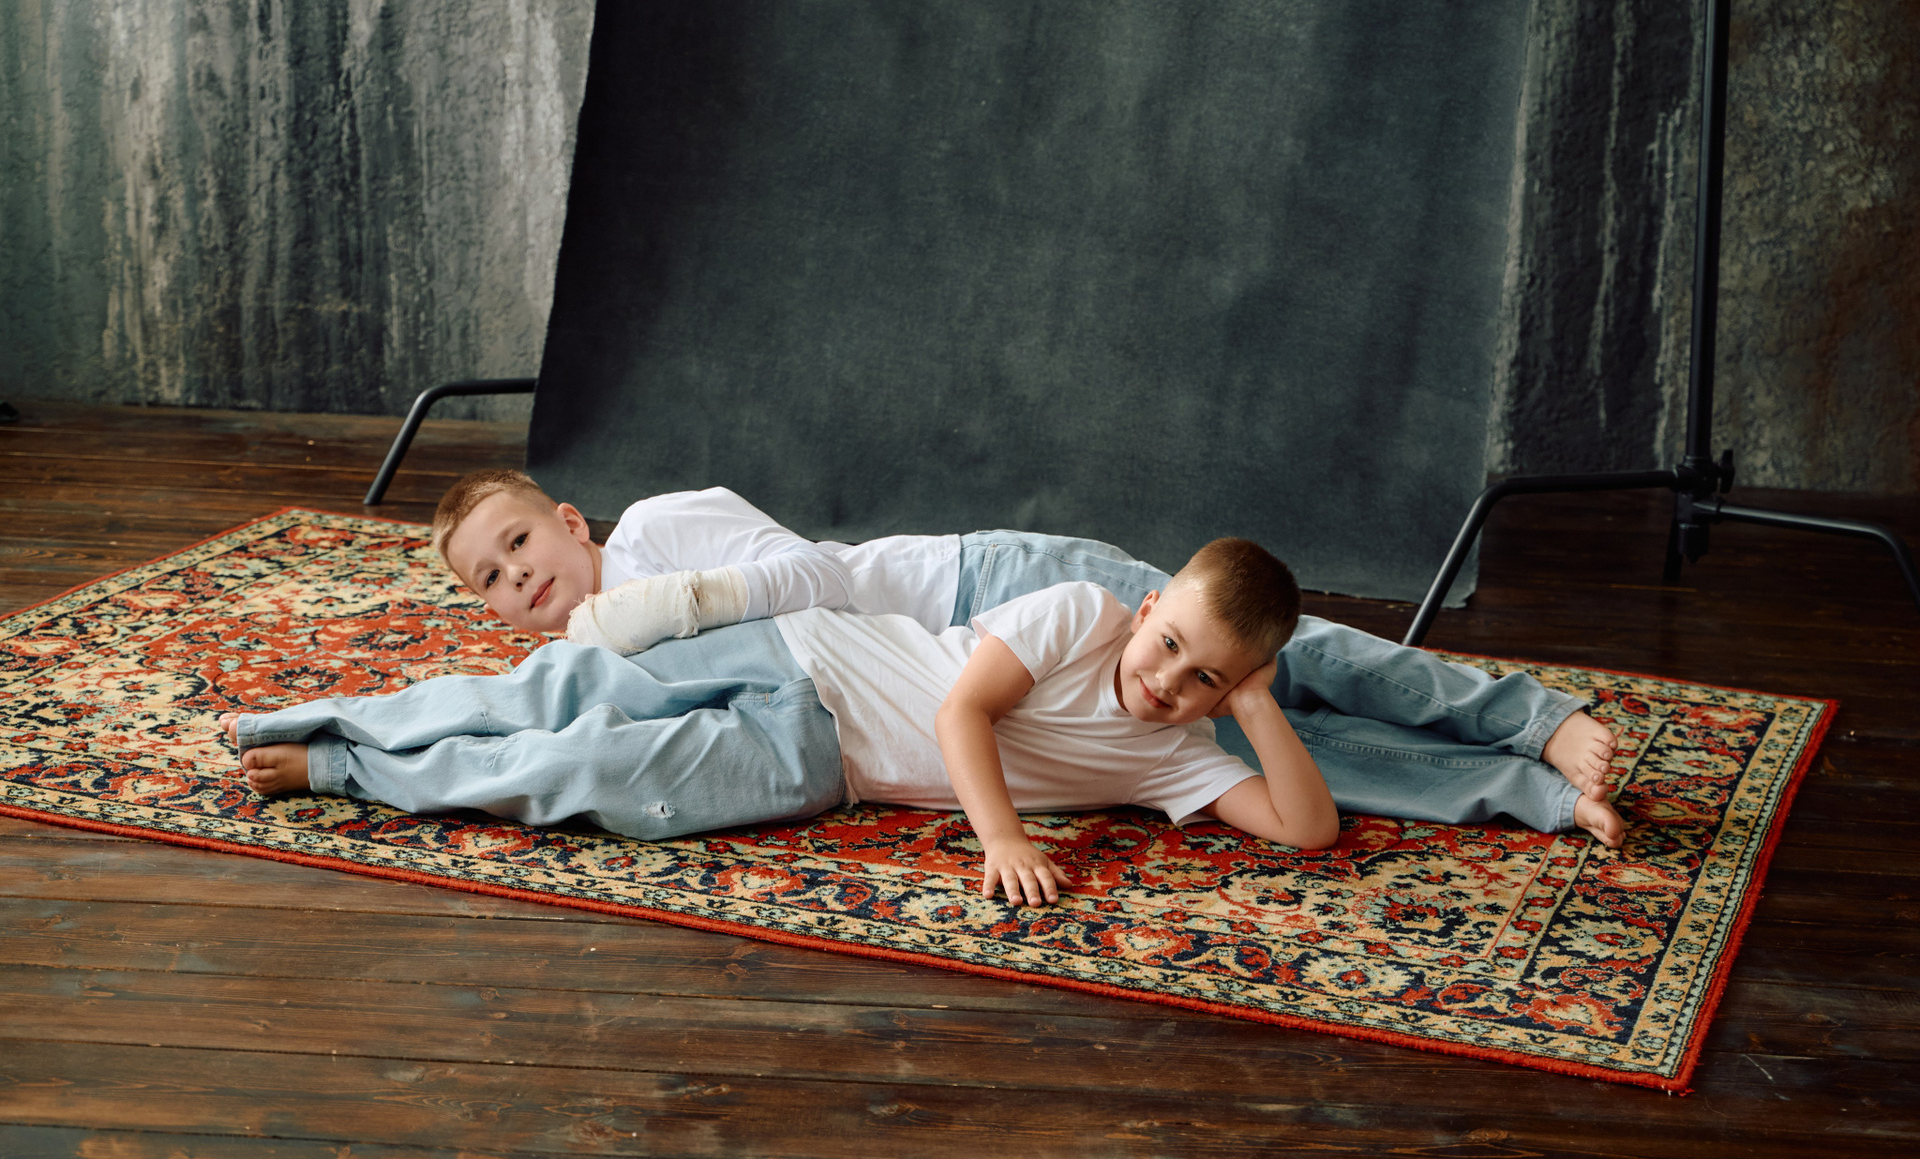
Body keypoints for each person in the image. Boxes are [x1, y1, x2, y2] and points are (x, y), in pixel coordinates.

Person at [227, 532, 1625, 900]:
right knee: (552, 685)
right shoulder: (1085, 607)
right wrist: (1002, 837)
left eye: (1205, 679)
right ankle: (332, 714)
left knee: (588, 771)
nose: (1167, 684)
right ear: (1148, 608)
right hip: (811, 646)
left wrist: (1255, 707)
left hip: (811, 752)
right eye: (1172, 648)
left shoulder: (1179, 755)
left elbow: (1308, 830)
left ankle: (345, 771)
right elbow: (965, 715)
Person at [417, 469, 1621, 842]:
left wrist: (674, 601)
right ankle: (1523, 788)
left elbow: (814, 578)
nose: (518, 576)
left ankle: (1527, 716)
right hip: (926, 672)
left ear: (570, 520)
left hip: (978, 589)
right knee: (1264, 713)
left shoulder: (656, 531)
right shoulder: (596, 645)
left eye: (519, 542)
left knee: (1276, 647)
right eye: (490, 580)